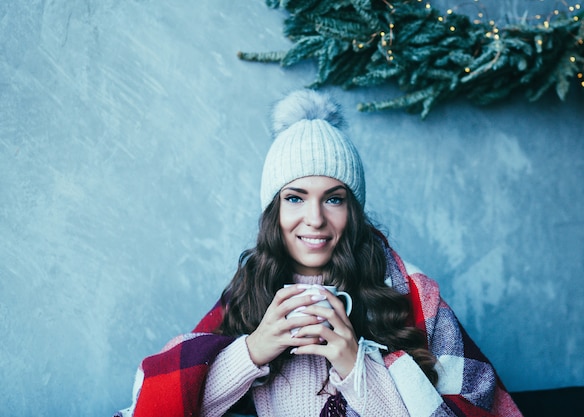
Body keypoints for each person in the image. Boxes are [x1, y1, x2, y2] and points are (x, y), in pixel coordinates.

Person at [115, 90, 523, 417]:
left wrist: (356, 366)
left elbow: (470, 406)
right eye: (294, 198)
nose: (314, 219)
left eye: (333, 199)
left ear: (353, 210)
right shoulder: (246, 293)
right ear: (274, 210)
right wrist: (253, 351)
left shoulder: (414, 296)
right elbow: (171, 405)